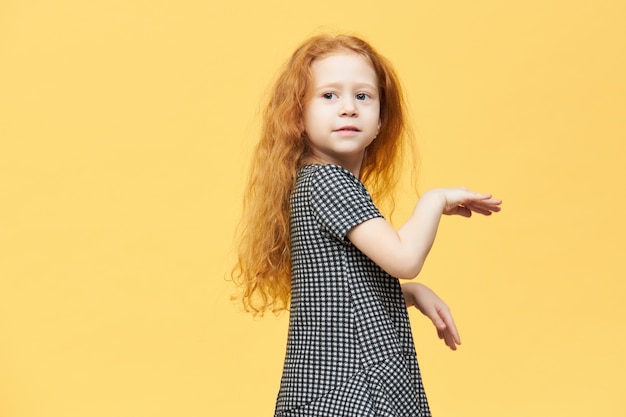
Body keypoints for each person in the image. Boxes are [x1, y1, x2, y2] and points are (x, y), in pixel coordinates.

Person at [232, 34, 502, 417]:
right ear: (298, 117)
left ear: (380, 121)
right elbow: (404, 258)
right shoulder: (330, 182)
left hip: (327, 392)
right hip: (355, 392)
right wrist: (434, 199)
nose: (348, 109)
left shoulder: (309, 182)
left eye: (363, 96)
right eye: (328, 96)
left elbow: (337, 292)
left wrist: (409, 293)